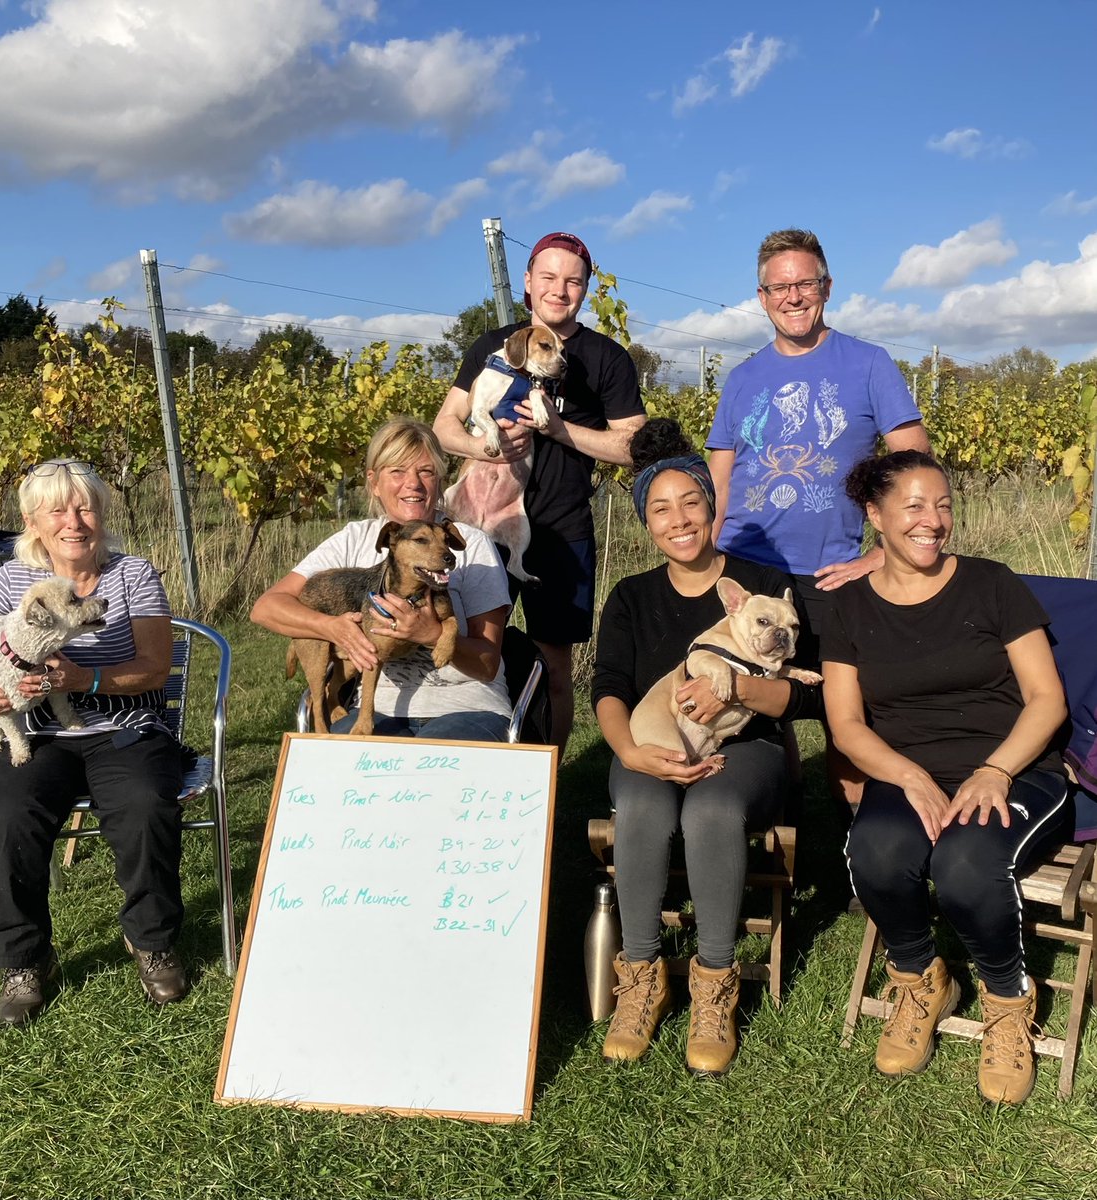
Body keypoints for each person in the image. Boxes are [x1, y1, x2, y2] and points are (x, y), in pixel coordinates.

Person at [822, 450, 1071, 1106]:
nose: (932, 520)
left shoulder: (991, 584)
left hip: (1015, 767)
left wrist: (992, 771)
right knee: (873, 850)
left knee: (962, 864)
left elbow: (1046, 699)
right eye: (913, 506)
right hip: (909, 771)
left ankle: (1008, 998)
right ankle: (919, 976)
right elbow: (846, 725)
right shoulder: (848, 609)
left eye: (942, 505)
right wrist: (908, 776)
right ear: (874, 516)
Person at [591, 419, 821, 1075]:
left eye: (690, 501)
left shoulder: (760, 586)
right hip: (653, 741)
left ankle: (713, 985)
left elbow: (808, 694)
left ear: (711, 505)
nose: (678, 519)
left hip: (746, 744)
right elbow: (607, 686)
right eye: (660, 509)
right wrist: (628, 751)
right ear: (646, 523)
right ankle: (641, 979)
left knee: (711, 811)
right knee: (640, 805)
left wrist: (739, 692)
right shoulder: (631, 597)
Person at [0, 458, 190, 1027]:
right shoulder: (9, 581)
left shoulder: (133, 575)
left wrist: (83, 679)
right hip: (34, 732)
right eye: (57, 509)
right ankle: (25, 960)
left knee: (145, 804)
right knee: (3, 816)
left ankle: (152, 942)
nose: (73, 520)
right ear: (33, 521)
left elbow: (153, 667)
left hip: (124, 728)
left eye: (85, 506)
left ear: (102, 514)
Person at [706, 228, 932, 812]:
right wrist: (710, 560)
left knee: (844, 713)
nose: (793, 295)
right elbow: (722, 483)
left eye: (805, 282)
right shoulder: (743, 378)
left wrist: (886, 553)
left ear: (827, 288)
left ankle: (858, 842)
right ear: (761, 297)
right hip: (749, 570)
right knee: (748, 706)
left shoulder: (869, 364)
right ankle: (771, 817)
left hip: (835, 575)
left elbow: (916, 466)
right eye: (779, 286)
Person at [434, 231, 647, 756]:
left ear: (585, 289)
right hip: (478, 529)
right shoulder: (493, 347)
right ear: (528, 283)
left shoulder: (606, 359)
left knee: (555, 664)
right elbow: (444, 426)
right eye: (549, 277)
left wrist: (559, 431)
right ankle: (477, 763)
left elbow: (636, 447)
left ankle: (546, 780)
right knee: (470, 648)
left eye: (573, 281)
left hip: (559, 530)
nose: (560, 289)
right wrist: (485, 448)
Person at [252, 417, 513, 742]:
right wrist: (332, 628)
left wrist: (432, 634)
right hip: (377, 710)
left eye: (425, 471)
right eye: (397, 471)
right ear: (374, 482)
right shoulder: (353, 541)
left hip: (468, 708)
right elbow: (266, 608)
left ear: (439, 481)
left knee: (425, 773)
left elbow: (487, 664)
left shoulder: (471, 546)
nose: (413, 484)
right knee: (345, 773)